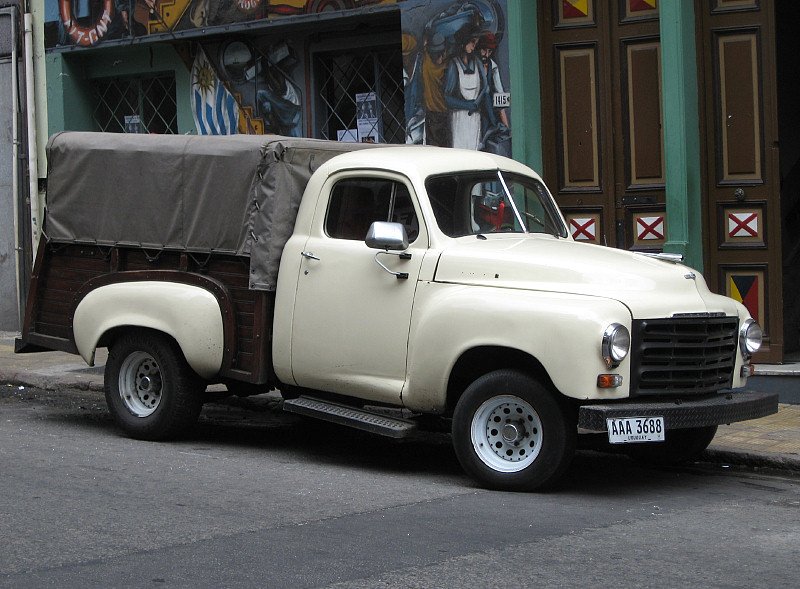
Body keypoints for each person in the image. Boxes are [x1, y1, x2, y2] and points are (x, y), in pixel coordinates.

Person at [444, 28, 488, 150]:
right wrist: (467, 105)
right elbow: (447, 97)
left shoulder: (477, 62)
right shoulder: (454, 65)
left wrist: (477, 103)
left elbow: (484, 87)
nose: (474, 45)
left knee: (474, 151)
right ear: (463, 42)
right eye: (472, 42)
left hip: (475, 118)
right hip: (459, 119)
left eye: (476, 42)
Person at [421, 32, 451, 147]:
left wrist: (425, 43)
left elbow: (424, 51)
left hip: (431, 115)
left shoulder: (426, 64)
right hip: (441, 114)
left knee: (433, 148)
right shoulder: (445, 68)